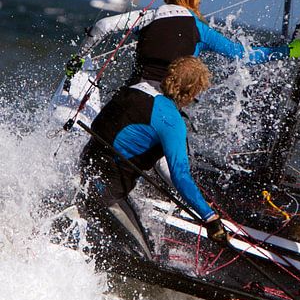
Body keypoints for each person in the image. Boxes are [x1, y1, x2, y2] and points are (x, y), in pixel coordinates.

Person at [78, 56, 227, 260]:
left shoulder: (135, 89)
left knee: (144, 239)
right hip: (106, 193)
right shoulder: (171, 120)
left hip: (87, 171)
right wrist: (210, 218)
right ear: (190, 92)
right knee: (143, 256)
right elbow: (180, 175)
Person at [65, 0, 300, 88]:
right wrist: (285, 51)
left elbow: (103, 25)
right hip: (166, 104)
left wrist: (79, 57)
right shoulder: (201, 30)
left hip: (134, 91)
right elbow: (243, 55)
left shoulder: (149, 16)